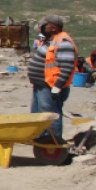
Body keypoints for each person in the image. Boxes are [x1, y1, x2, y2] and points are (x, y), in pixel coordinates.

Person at [27, 15, 77, 144]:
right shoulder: (51, 40)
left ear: (53, 28)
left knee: (50, 115)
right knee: (39, 115)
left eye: (44, 26)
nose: (41, 28)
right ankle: (41, 140)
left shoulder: (64, 42)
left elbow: (67, 67)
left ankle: (52, 143)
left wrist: (58, 86)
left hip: (51, 87)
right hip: (41, 85)